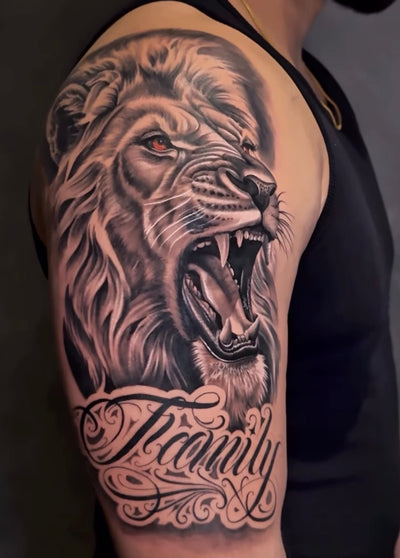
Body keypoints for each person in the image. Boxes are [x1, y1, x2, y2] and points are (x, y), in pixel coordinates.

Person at [29, 1, 400, 557]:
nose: (252, 176)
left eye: (244, 150)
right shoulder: (162, 70)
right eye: (160, 145)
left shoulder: (300, 79)